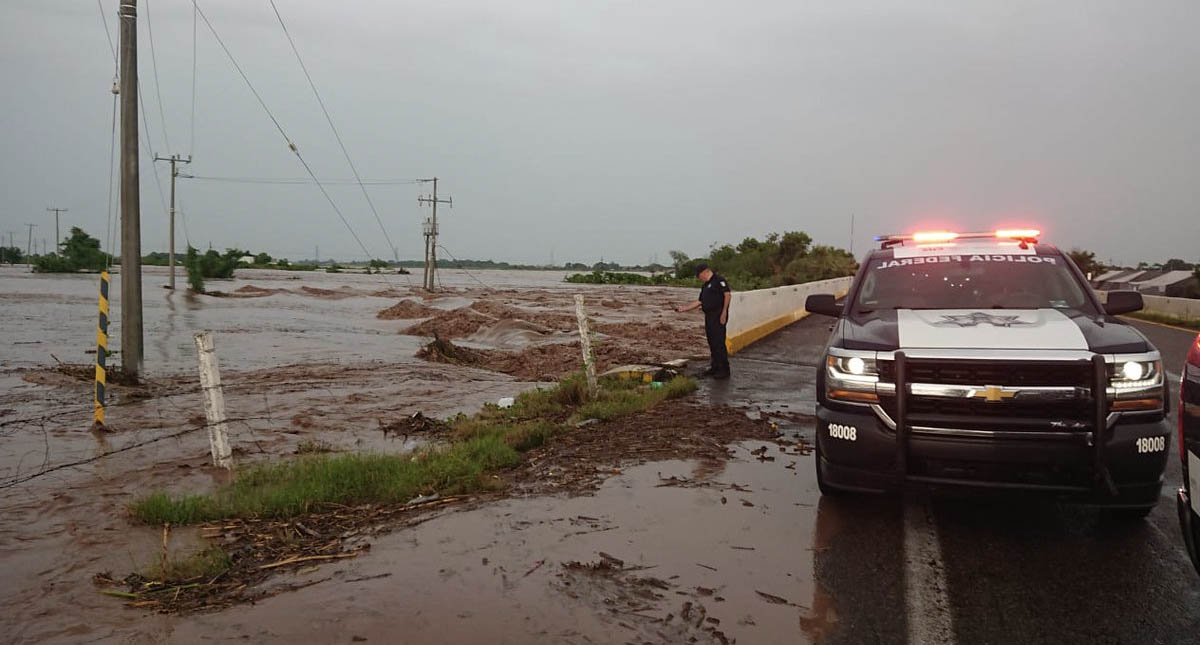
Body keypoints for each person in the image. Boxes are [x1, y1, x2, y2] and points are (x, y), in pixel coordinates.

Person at [675, 263, 731, 378]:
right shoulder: (705, 285)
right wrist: (684, 308)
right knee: (712, 342)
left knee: (719, 342)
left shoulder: (718, 280)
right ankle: (715, 366)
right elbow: (700, 301)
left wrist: (724, 312)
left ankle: (724, 370)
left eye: (699, 276)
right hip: (709, 316)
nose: (699, 278)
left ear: (705, 272)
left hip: (718, 315)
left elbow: (728, 295)